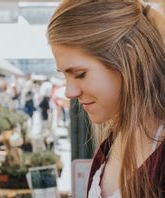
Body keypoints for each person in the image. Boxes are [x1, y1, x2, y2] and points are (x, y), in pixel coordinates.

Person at [47, 0, 165, 197]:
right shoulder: (111, 143)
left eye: (80, 74)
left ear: (130, 58)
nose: (69, 92)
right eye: (64, 76)